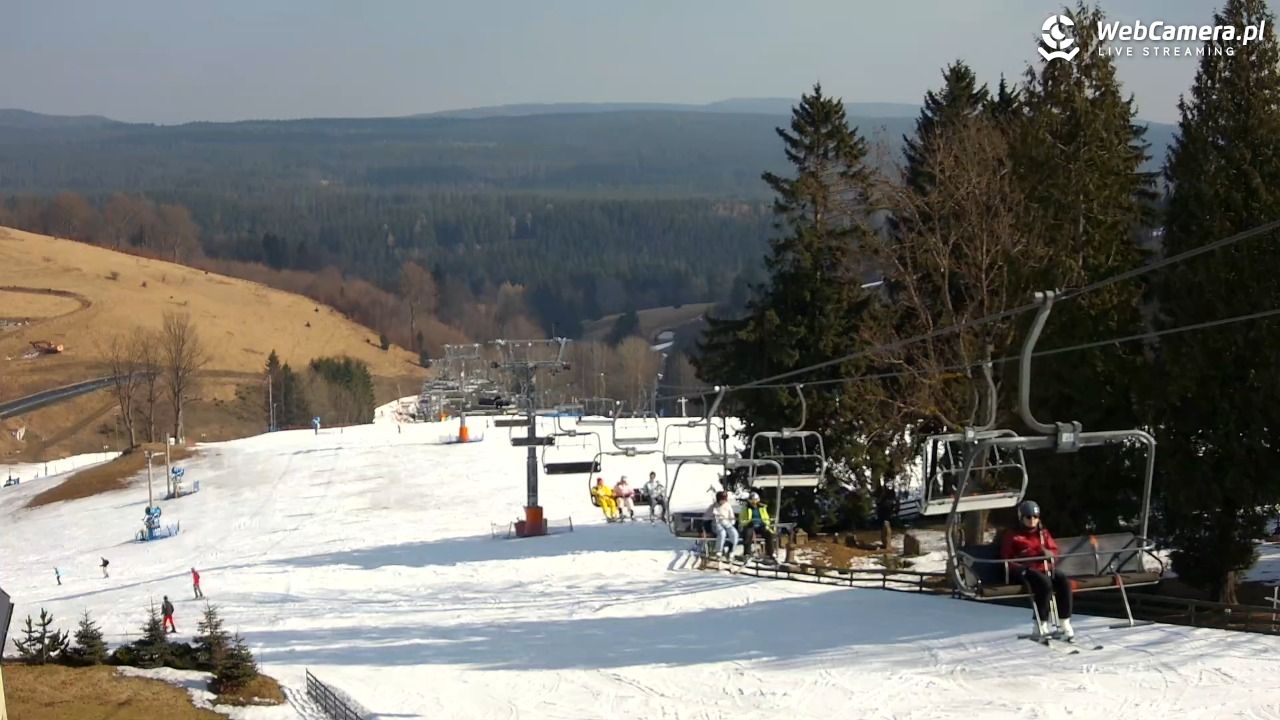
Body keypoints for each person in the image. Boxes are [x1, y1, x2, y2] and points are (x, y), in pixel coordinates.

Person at [1000, 500, 1074, 639]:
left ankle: (1065, 623)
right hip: (1024, 570)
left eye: (1035, 517)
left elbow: (1054, 550)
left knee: (1063, 580)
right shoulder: (1013, 535)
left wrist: (1048, 554)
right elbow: (1006, 557)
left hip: (1043, 567)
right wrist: (1020, 567)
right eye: (1028, 517)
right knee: (1044, 584)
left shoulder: (1042, 533)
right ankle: (1040, 624)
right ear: (1021, 517)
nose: (1032, 520)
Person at [738, 492, 776, 562]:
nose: (754, 502)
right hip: (750, 525)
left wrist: (765, 523)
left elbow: (766, 518)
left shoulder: (762, 508)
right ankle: (747, 554)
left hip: (761, 525)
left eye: (755, 500)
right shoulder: (746, 508)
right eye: (752, 500)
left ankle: (770, 553)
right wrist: (748, 522)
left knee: (769, 534)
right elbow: (741, 520)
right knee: (747, 534)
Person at [705, 491, 738, 559]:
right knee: (722, 533)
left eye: (724, 500)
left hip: (726, 523)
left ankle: (731, 550)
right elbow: (705, 517)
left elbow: (732, 516)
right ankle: (719, 551)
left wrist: (731, 522)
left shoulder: (728, 506)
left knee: (734, 533)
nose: (723, 501)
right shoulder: (713, 506)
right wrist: (712, 514)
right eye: (721, 500)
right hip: (716, 524)